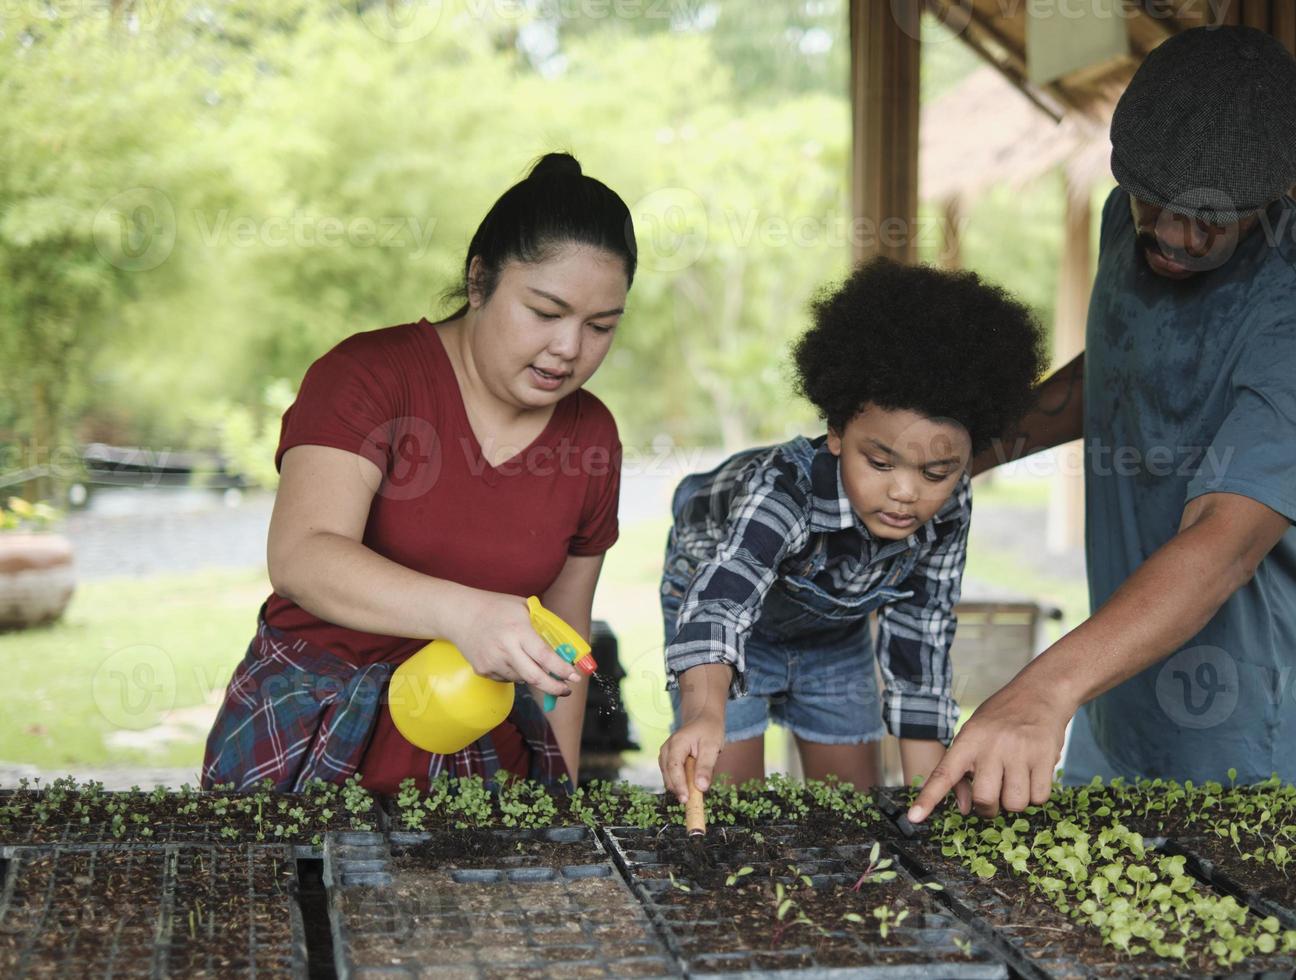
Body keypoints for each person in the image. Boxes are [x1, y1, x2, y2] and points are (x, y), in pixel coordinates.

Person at [908, 26, 1296, 824]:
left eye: (1210, 223)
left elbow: (1224, 541)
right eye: (1155, 202)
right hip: (1114, 686)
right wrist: (960, 455)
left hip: (1243, 716)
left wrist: (1038, 689)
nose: (1173, 237)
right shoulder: (1132, 223)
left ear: (1270, 199)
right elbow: (1122, 370)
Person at [202, 153, 633, 793]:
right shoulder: (369, 377)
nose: (570, 348)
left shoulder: (591, 434)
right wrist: (467, 616)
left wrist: (559, 801)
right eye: (545, 313)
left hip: (480, 746)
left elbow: (563, 651)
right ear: (479, 279)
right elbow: (302, 555)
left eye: (600, 327)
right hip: (310, 731)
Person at [659, 258, 1043, 802]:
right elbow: (721, 605)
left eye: (936, 472)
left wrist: (932, 793)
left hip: (834, 633)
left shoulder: (951, 506)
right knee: (726, 805)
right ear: (837, 431)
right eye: (881, 463)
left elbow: (920, 634)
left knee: (854, 808)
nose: (906, 493)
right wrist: (702, 715)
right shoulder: (784, 490)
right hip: (723, 621)